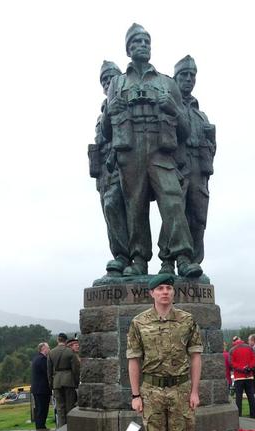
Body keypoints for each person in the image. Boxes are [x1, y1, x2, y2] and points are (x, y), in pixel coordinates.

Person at [102, 23, 202, 278]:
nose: (143, 46)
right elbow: (106, 132)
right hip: (130, 150)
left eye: (146, 42)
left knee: (172, 201)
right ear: (128, 49)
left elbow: (185, 130)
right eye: (137, 42)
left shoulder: (167, 83)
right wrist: (108, 114)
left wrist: (173, 108)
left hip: (160, 151)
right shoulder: (117, 83)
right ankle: (138, 259)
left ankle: (183, 257)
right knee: (134, 206)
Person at [127, 273, 203, 431]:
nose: (165, 292)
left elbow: (195, 357)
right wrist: (135, 394)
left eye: (169, 288)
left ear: (173, 292)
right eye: (160, 288)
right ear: (152, 293)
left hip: (180, 389)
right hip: (152, 391)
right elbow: (133, 360)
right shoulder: (139, 322)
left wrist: (194, 391)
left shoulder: (187, 320)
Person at [167, 54, 216, 266]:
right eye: (184, 75)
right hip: (177, 165)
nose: (189, 79)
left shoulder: (201, 115)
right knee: (174, 215)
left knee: (198, 217)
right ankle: (170, 260)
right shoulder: (169, 107)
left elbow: (212, 147)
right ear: (176, 78)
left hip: (198, 168)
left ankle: (194, 263)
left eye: (192, 75)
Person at [89, 60, 131, 275]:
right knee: (111, 211)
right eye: (104, 80)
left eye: (111, 78)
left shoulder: (127, 103)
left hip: (124, 162)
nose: (108, 83)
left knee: (121, 206)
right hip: (105, 170)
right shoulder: (102, 112)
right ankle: (121, 257)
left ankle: (131, 256)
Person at [47, 333, 80, 427]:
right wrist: (76, 382)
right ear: (66, 341)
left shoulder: (51, 352)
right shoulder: (70, 352)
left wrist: (51, 384)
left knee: (60, 407)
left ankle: (61, 427)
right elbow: (76, 369)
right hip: (69, 381)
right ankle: (70, 427)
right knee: (70, 406)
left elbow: (49, 371)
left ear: (58, 340)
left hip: (57, 382)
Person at [229, 336, 255, 419]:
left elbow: (231, 363)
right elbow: (254, 359)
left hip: (238, 377)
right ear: (241, 340)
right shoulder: (249, 348)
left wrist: (241, 368)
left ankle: (239, 415)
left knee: (239, 397)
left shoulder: (232, 350)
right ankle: (253, 414)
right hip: (249, 376)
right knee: (251, 396)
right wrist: (249, 367)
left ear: (234, 341)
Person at [30, 342, 52, 431]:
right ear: (43, 349)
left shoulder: (36, 358)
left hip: (37, 388)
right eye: (48, 348)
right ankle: (41, 428)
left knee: (39, 409)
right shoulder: (43, 359)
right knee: (42, 409)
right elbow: (47, 373)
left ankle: (40, 426)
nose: (49, 349)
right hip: (42, 389)